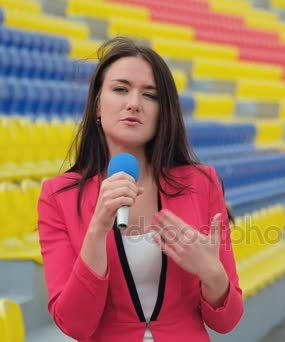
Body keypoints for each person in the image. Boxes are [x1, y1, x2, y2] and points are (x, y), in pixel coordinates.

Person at [36, 37, 244, 342]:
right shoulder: (58, 196)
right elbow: (74, 324)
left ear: (163, 112)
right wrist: (97, 228)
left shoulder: (202, 183)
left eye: (150, 95)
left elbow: (227, 320)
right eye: (120, 89)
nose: (133, 103)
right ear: (97, 105)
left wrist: (212, 273)